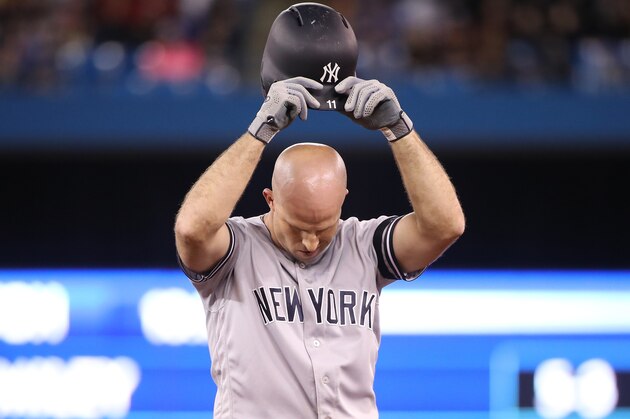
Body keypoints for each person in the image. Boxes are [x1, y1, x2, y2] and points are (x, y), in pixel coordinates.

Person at [175, 4, 464, 418]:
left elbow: (445, 225)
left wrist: (398, 128)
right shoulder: (236, 249)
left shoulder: (363, 245)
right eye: (297, 227)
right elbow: (191, 229)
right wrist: (261, 131)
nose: (311, 242)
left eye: (323, 227)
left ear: (344, 202)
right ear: (270, 200)